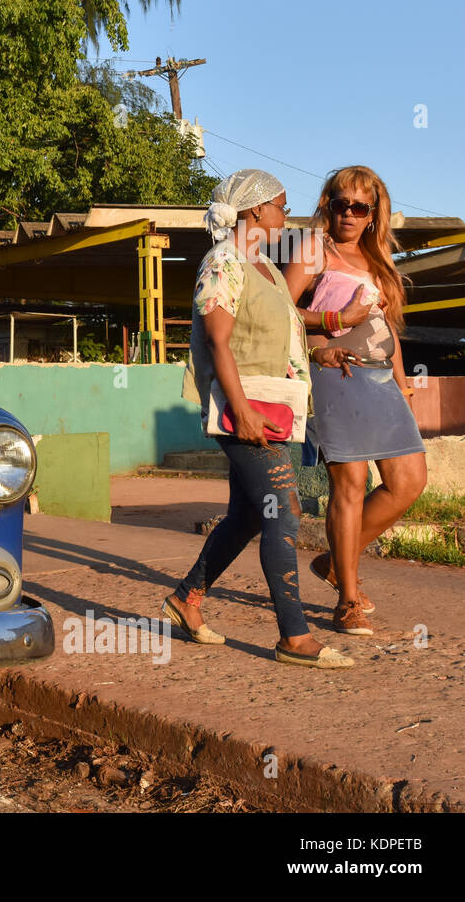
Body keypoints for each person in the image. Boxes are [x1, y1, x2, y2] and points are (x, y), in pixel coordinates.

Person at [168, 169, 357, 669]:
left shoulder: (268, 272)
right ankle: (293, 637)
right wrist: (241, 411)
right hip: (246, 408)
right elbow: (219, 342)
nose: (285, 215)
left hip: (277, 407)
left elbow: (280, 340)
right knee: (285, 511)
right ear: (254, 211)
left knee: (249, 515)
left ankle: (186, 597)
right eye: (279, 205)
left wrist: (323, 356)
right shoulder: (223, 262)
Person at [283, 166, 427, 636]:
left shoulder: (378, 256)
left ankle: (333, 562)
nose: (347, 213)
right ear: (327, 204)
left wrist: (404, 386)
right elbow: (280, 312)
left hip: (383, 379)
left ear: (372, 213)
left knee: (408, 482)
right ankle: (347, 597)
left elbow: (390, 331)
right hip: (336, 374)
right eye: (339, 203)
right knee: (350, 485)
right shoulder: (313, 249)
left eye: (358, 207)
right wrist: (334, 318)